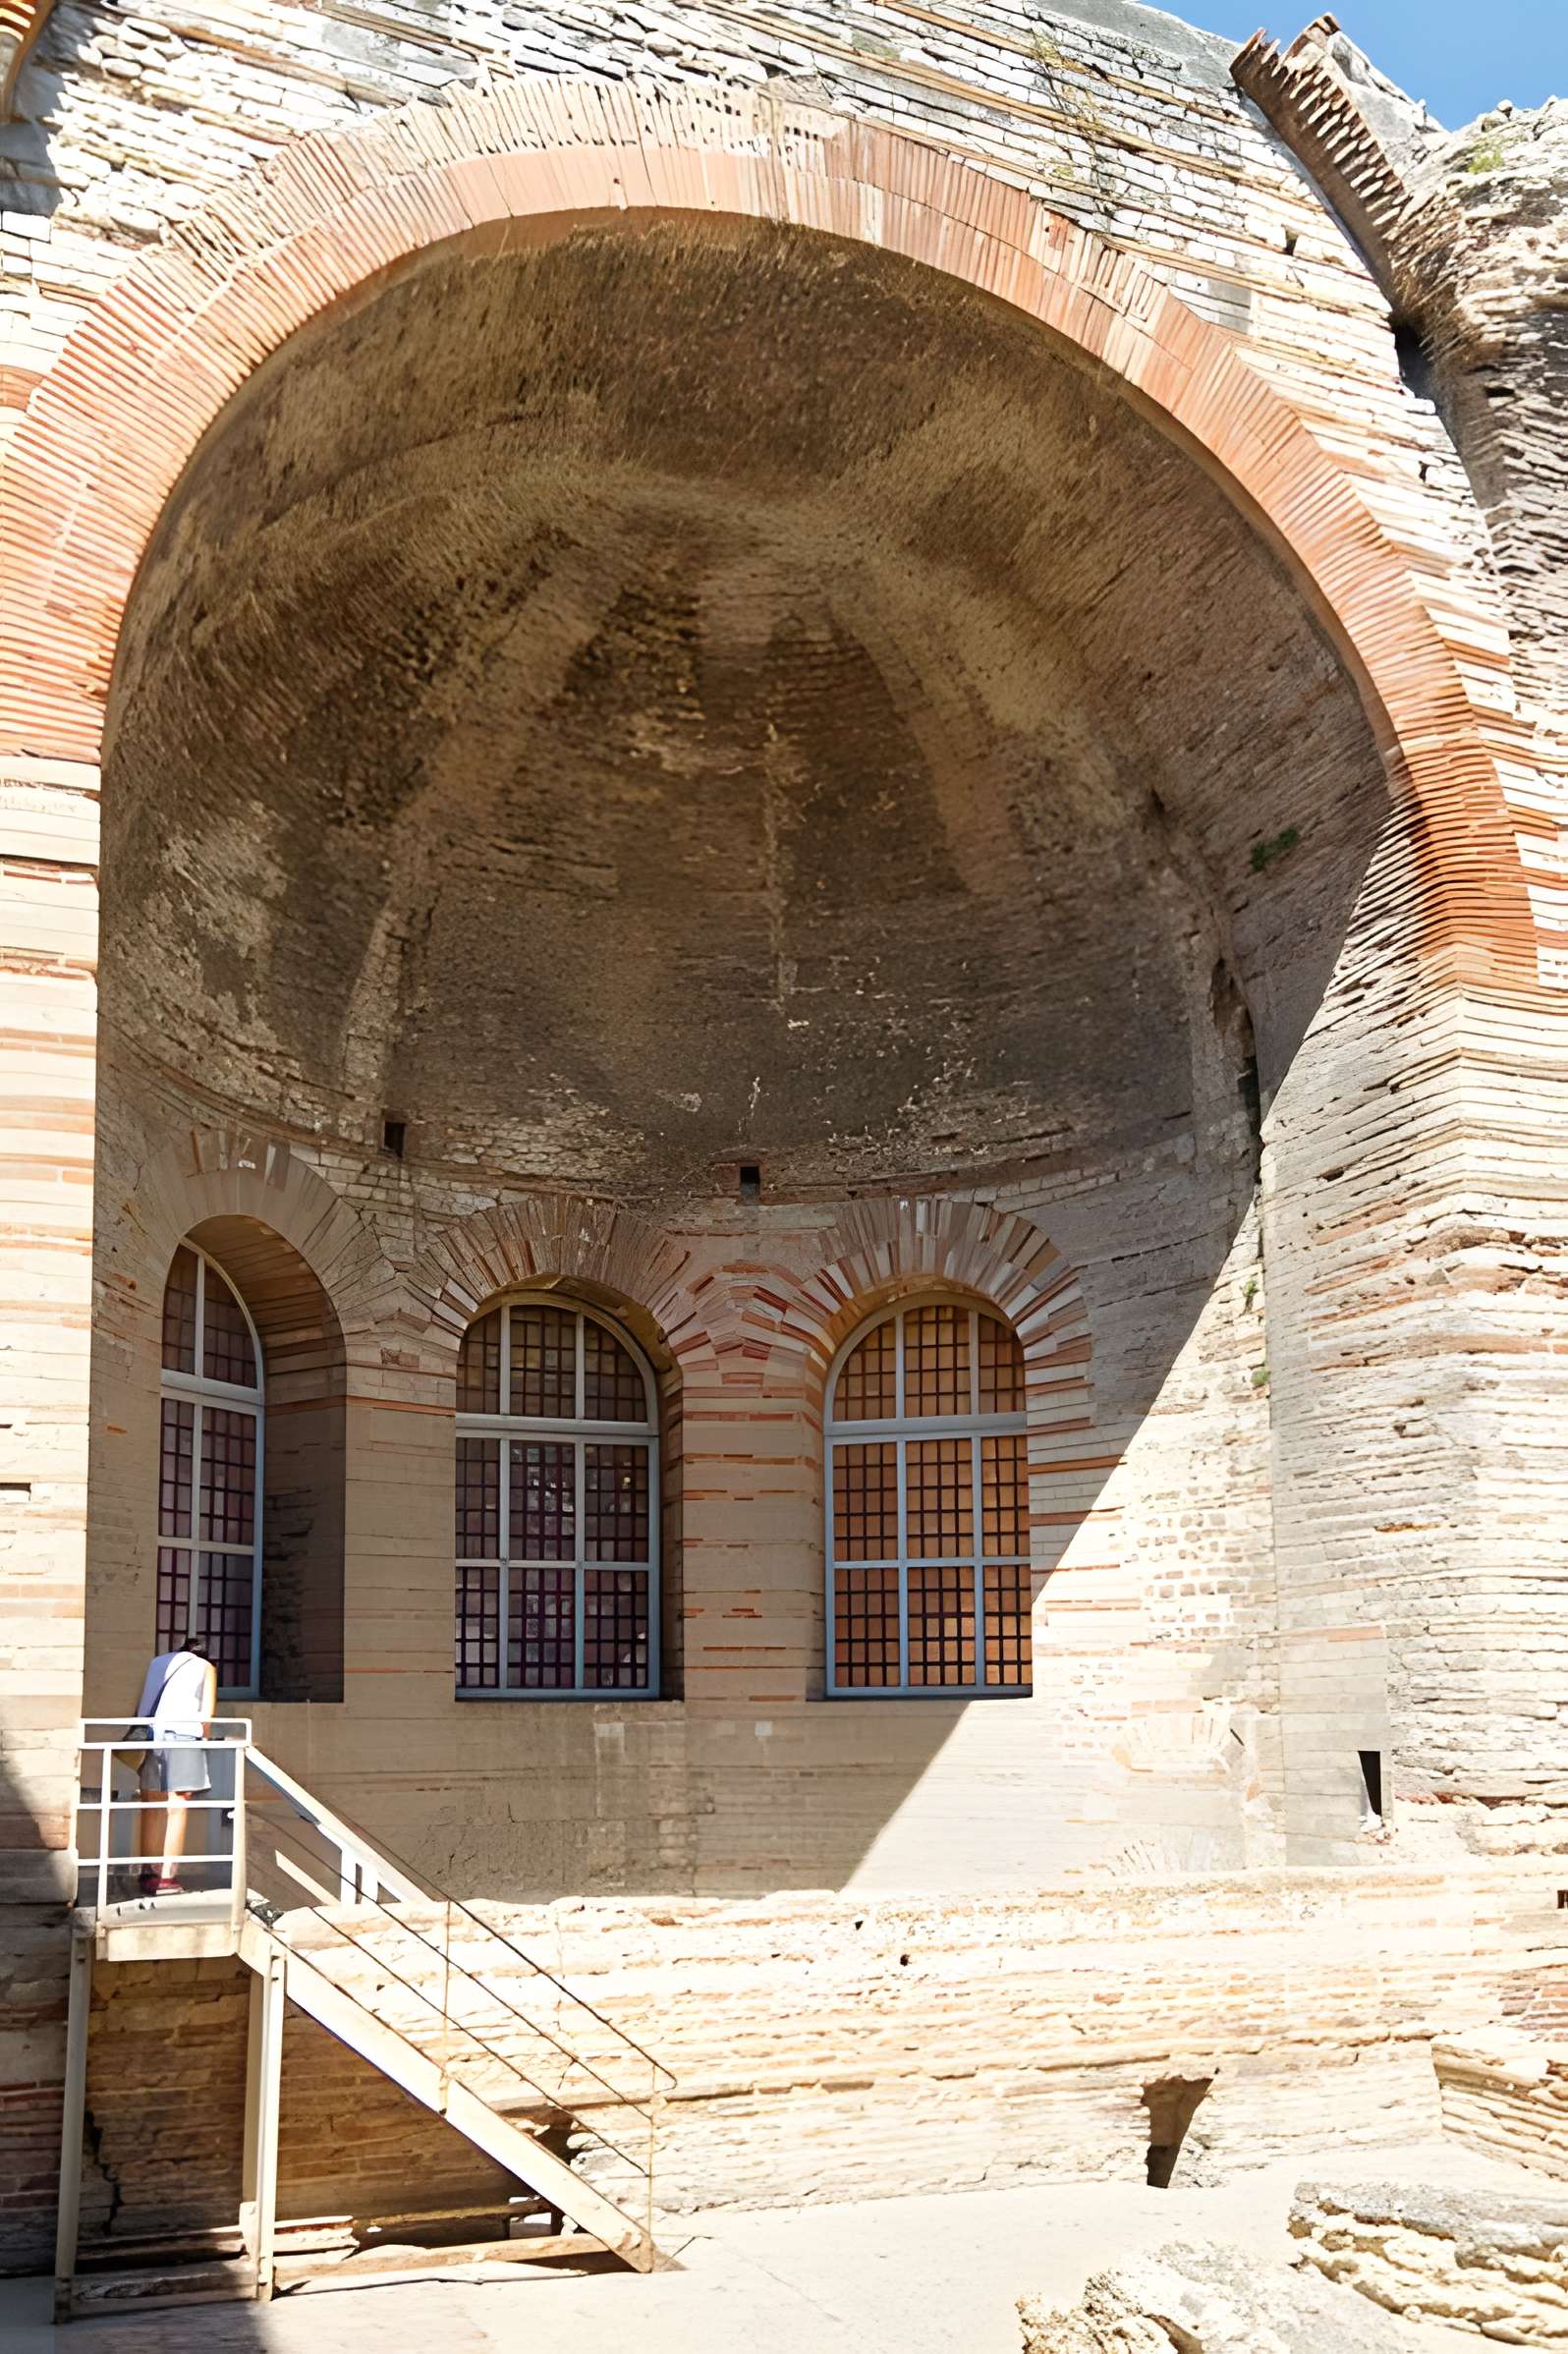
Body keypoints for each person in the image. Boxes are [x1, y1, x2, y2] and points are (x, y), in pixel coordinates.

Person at [131, 1636, 217, 1896]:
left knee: (152, 1804)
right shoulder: (205, 1668)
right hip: (183, 1737)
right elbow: (206, 1714)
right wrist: (207, 1739)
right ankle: (168, 1878)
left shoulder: (157, 1663)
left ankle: (149, 1872)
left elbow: (142, 1705)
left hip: (151, 1736)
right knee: (178, 1805)